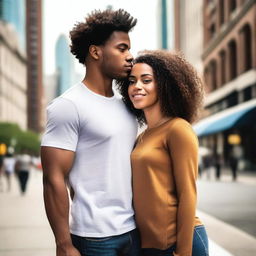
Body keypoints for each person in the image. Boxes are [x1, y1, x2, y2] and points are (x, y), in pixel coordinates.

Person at [41, 9, 140, 256]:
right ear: (96, 52)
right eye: (122, 48)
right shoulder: (68, 106)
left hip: (134, 230)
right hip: (95, 237)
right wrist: (63, 244)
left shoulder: (126, 105)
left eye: (129, 49)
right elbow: (53, 179)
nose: (130, 57)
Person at [117, 50, 209, 256]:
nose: (137, 86)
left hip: (179, 242)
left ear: (165, 85)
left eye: (146, 80)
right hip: (149, 245)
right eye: (132, 81)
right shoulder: (142, 137)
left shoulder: (178, 129)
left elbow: (188, 194)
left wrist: (184, 251)